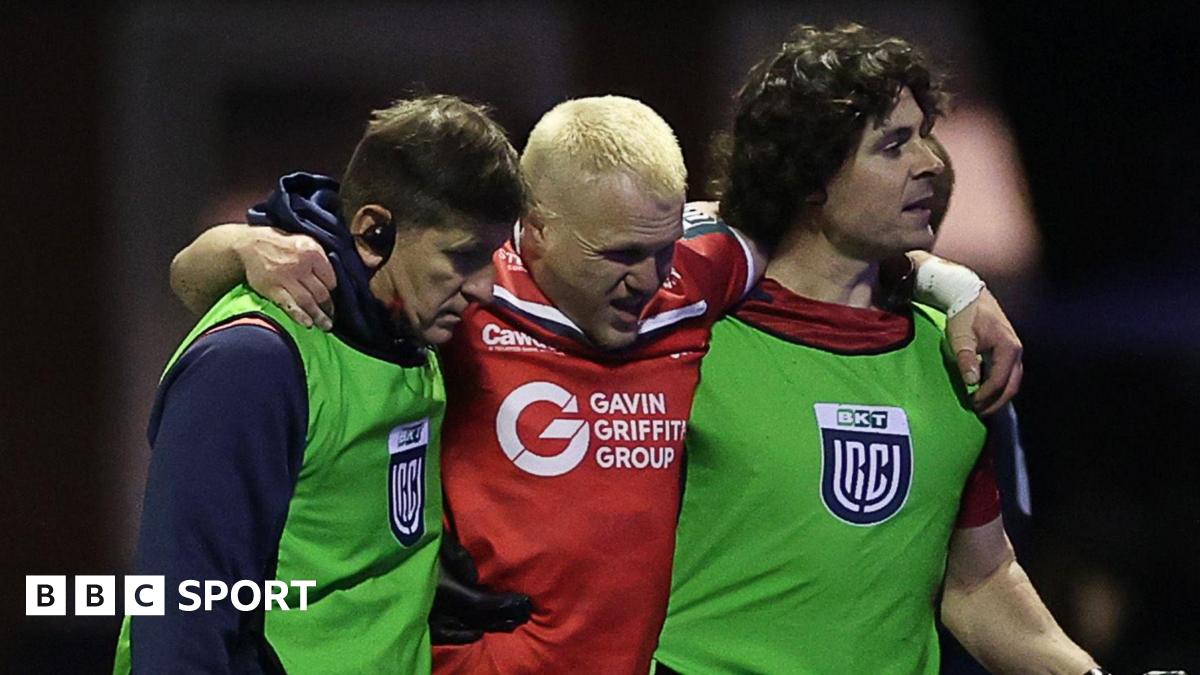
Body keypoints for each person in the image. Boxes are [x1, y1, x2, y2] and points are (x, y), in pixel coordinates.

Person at [170, 96, 1023, 674]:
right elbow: (326, 262)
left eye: (660, 247)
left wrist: (956, 287)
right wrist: (229, 247)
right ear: (533, 230)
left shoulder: (701, 270)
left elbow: (827, 239)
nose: (649, 278)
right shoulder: (463, 288)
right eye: (616, 255)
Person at [653, 24, 1098, 674]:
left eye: (923, 134)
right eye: (893, 145)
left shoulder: (953, 351)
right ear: (808, 175)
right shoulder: (691, 331)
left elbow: (978, 582)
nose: (932, 163)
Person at [114, 95, 523, 673]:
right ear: (373, 232)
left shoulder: (405, 326)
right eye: (464, 257)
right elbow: (179, 616)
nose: (485, 287)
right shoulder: (251, 364)